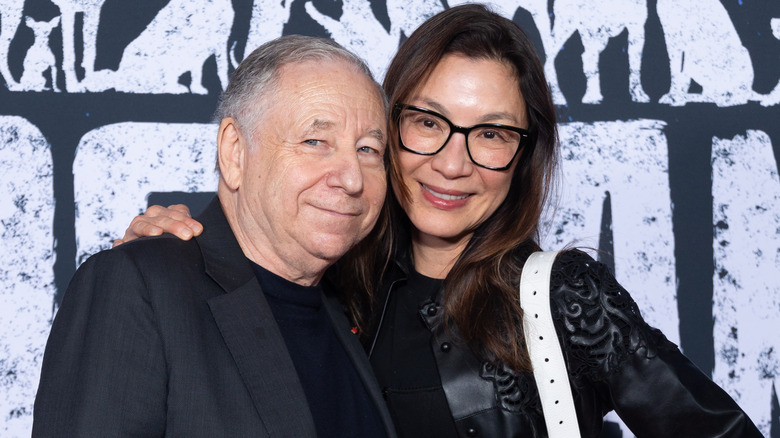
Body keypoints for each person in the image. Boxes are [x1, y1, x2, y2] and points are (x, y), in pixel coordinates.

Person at [114, 5, 763, 438]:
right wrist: (186, 250)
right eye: (428, 122)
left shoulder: (561, 297)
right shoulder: (329, 287)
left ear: (522, 154)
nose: (454, 163)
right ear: (385, 130)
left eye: (490, 133)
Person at [32, 35, 397, 438]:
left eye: (367, 150)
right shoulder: (139, 286)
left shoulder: (350, 313)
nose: (350, 178)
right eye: (315, 141)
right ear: (234, 151)